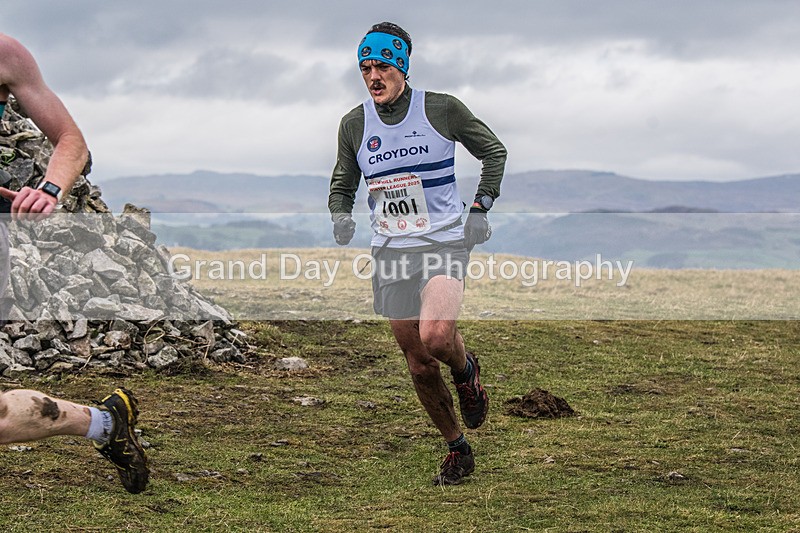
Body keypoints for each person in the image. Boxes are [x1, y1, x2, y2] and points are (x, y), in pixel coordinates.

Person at [329, 22, 507, 485]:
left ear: (402, 67)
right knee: (419, 363)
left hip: (443, 242)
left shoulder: (441, 109)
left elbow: (494, 152)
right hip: (391, 250)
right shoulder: (354, 124)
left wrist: (480, 207)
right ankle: (457, 448)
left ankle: (466, 372)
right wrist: (340, 215)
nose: (373, 76)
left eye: (382, 67)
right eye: (365, 68)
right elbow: (343, 182)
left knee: (436, 337)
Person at [0, 34, 148, 494]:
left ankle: (104, 423)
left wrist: (48, 191)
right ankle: (104, 423)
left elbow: (71, 141)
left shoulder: (6, 54)